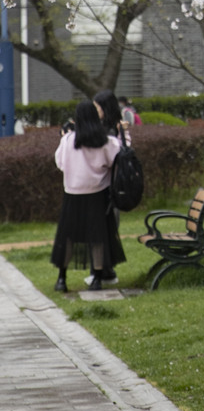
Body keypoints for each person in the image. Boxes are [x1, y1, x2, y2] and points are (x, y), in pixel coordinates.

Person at [51, 99, 127, 293]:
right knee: (98, 237)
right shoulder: (105, 141)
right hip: (97, 194)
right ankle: (97, 280)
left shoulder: (68, 140)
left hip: (72, 194)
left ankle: (62, 279)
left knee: (67, 236)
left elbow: (59, 163)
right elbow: (115, 159)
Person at [90, 89, 130, 286]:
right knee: (102, 229)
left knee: (106, 228)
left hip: (109, 186)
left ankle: (104, 270)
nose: (94, 110)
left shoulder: (114, 130)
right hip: (104, 185)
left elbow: (121, 154)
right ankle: (103, 270)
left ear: (105, 108)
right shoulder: (104, 128)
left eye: (97, 106)